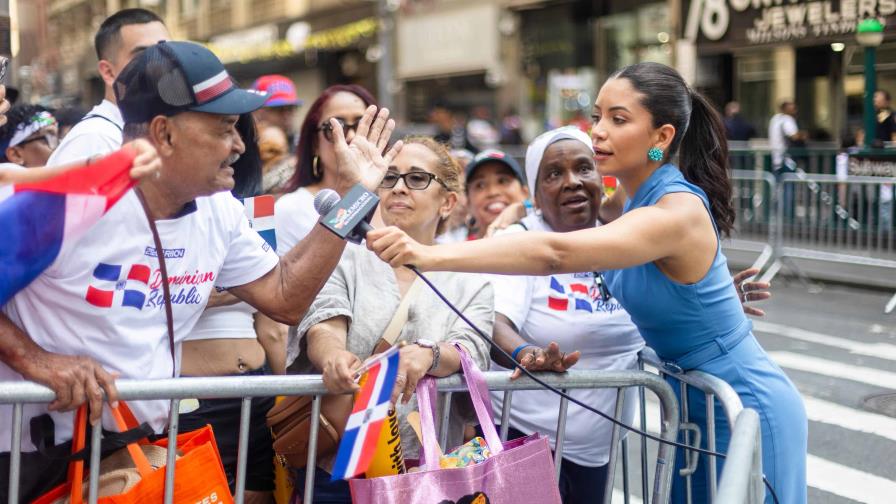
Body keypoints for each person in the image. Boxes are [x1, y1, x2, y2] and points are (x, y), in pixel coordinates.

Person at [366, 62, 807, 504]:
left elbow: (554, 252)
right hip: (695, 407)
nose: (598, 131)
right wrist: (516, 210)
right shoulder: (631, 200)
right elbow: (562, 201)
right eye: (597, 116)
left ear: (662, 137)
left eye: (619, 119)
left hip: (743, 404)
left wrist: (423, 253)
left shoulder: (674, 210)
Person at [0, 40, 400, 502]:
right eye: (224, 128)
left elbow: (286, 297)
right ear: (164, 133)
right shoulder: (72, 201)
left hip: (134, 451)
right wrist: (38, 361)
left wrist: (354, 197)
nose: (239, 145)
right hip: (30, 455)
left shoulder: (219, 211)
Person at [291, 136, 493, 502]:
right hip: (342, 466)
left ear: (447, 201)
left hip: (427, 471)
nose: (399, 187)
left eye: (417, 178)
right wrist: (332, 355)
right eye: (390, 177)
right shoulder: (345, 256)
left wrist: (427, 355)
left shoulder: (470, 275)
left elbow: (472, 348)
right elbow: (324, 321)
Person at [486, 127, 642, 504]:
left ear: (600, 180)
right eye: (554, 174)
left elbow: (660, 159)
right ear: (536, 196)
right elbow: (494, 324)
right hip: (523, 440)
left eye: (584, 169)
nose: (572, 182)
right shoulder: (520, 240)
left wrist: (707, 299)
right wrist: (527, 353)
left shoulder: (627, 238)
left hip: (597, 453)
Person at [178, 113, 279, 504]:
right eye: (221, 131)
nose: (232, 145)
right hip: (189, 400)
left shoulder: (256, 208)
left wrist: (289, 400)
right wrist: (234, 286)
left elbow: (273, 311)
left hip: (259, 395)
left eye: (239, 133)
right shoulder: (166, 210)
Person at [46, 8, 170, 166]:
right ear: (109, 72)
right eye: (143, 56)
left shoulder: (165, 127)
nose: (160, 62)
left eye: (167, 51)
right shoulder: (92, 139)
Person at [275, 84, 378, 252]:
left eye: (362, 126)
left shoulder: (394, 202)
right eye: (334, 128)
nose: (352, 137)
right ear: (315, 143)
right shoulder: (290, 209)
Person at [458, 149, 529, 241]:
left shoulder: (546, 236)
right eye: (480, 185)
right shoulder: (458, 252)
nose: (493, 192)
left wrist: (526, 206)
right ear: (468, 203)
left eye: (503, 181)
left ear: (525, 192)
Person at [251, 74, 303, 151]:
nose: (286, 115)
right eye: (279, 109)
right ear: (256, 112)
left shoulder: (302, 147)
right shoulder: (243, 149)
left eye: (291, 108)